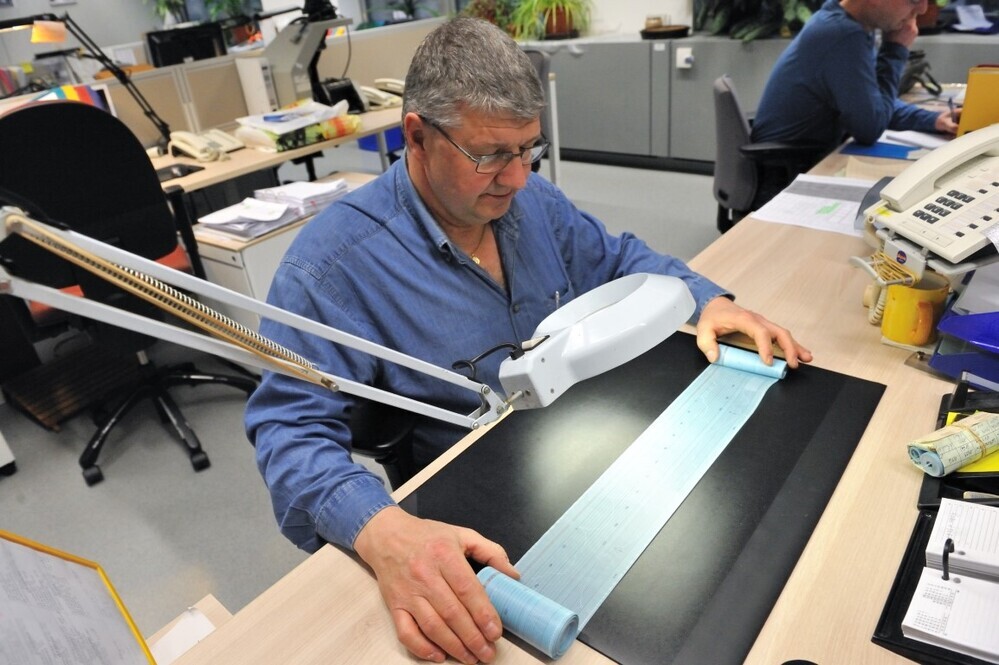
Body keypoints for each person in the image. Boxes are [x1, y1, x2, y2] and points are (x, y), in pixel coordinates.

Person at [245, 17, 812, 664]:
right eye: (490, 155)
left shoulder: (529, 200)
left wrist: (709, 300)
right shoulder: (331, 267)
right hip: (486, 511)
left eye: (528, 150)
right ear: (417, 137)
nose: (516, 178)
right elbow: (288, 434)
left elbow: (618, 259)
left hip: (587, 452)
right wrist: (385, 532)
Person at [750, 0, 960, 205]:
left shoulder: (849, 24)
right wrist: (895, 50)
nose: (923, 9)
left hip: (803, 162)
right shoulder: (843, 34)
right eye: (913, 0)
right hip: (782, 178)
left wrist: (933, 120)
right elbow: (870, 128)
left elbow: (871, 102)